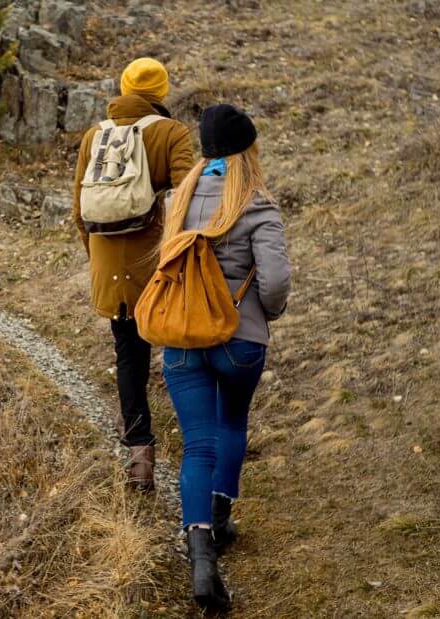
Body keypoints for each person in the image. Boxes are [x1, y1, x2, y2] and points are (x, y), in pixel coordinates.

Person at [161, 104, 290, 612]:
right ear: (246, 151)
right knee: (232, 423)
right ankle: (220, 518)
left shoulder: (178, 200)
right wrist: (266, 314)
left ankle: (201, 560)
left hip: (182, 339)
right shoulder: (257, 204)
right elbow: (276, 282)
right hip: (240, 341)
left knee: (197, 445)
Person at [73, 58, 194, 491]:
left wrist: (99, 258)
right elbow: (188, 200)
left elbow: (78, 212)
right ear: (161, 92)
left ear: (123, 87)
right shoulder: (171, 132)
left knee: (129, 354)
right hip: (157, 262)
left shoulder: (94, 136)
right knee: (182, 341)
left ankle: (140, 461)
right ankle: (197, 447)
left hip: (108, 263)